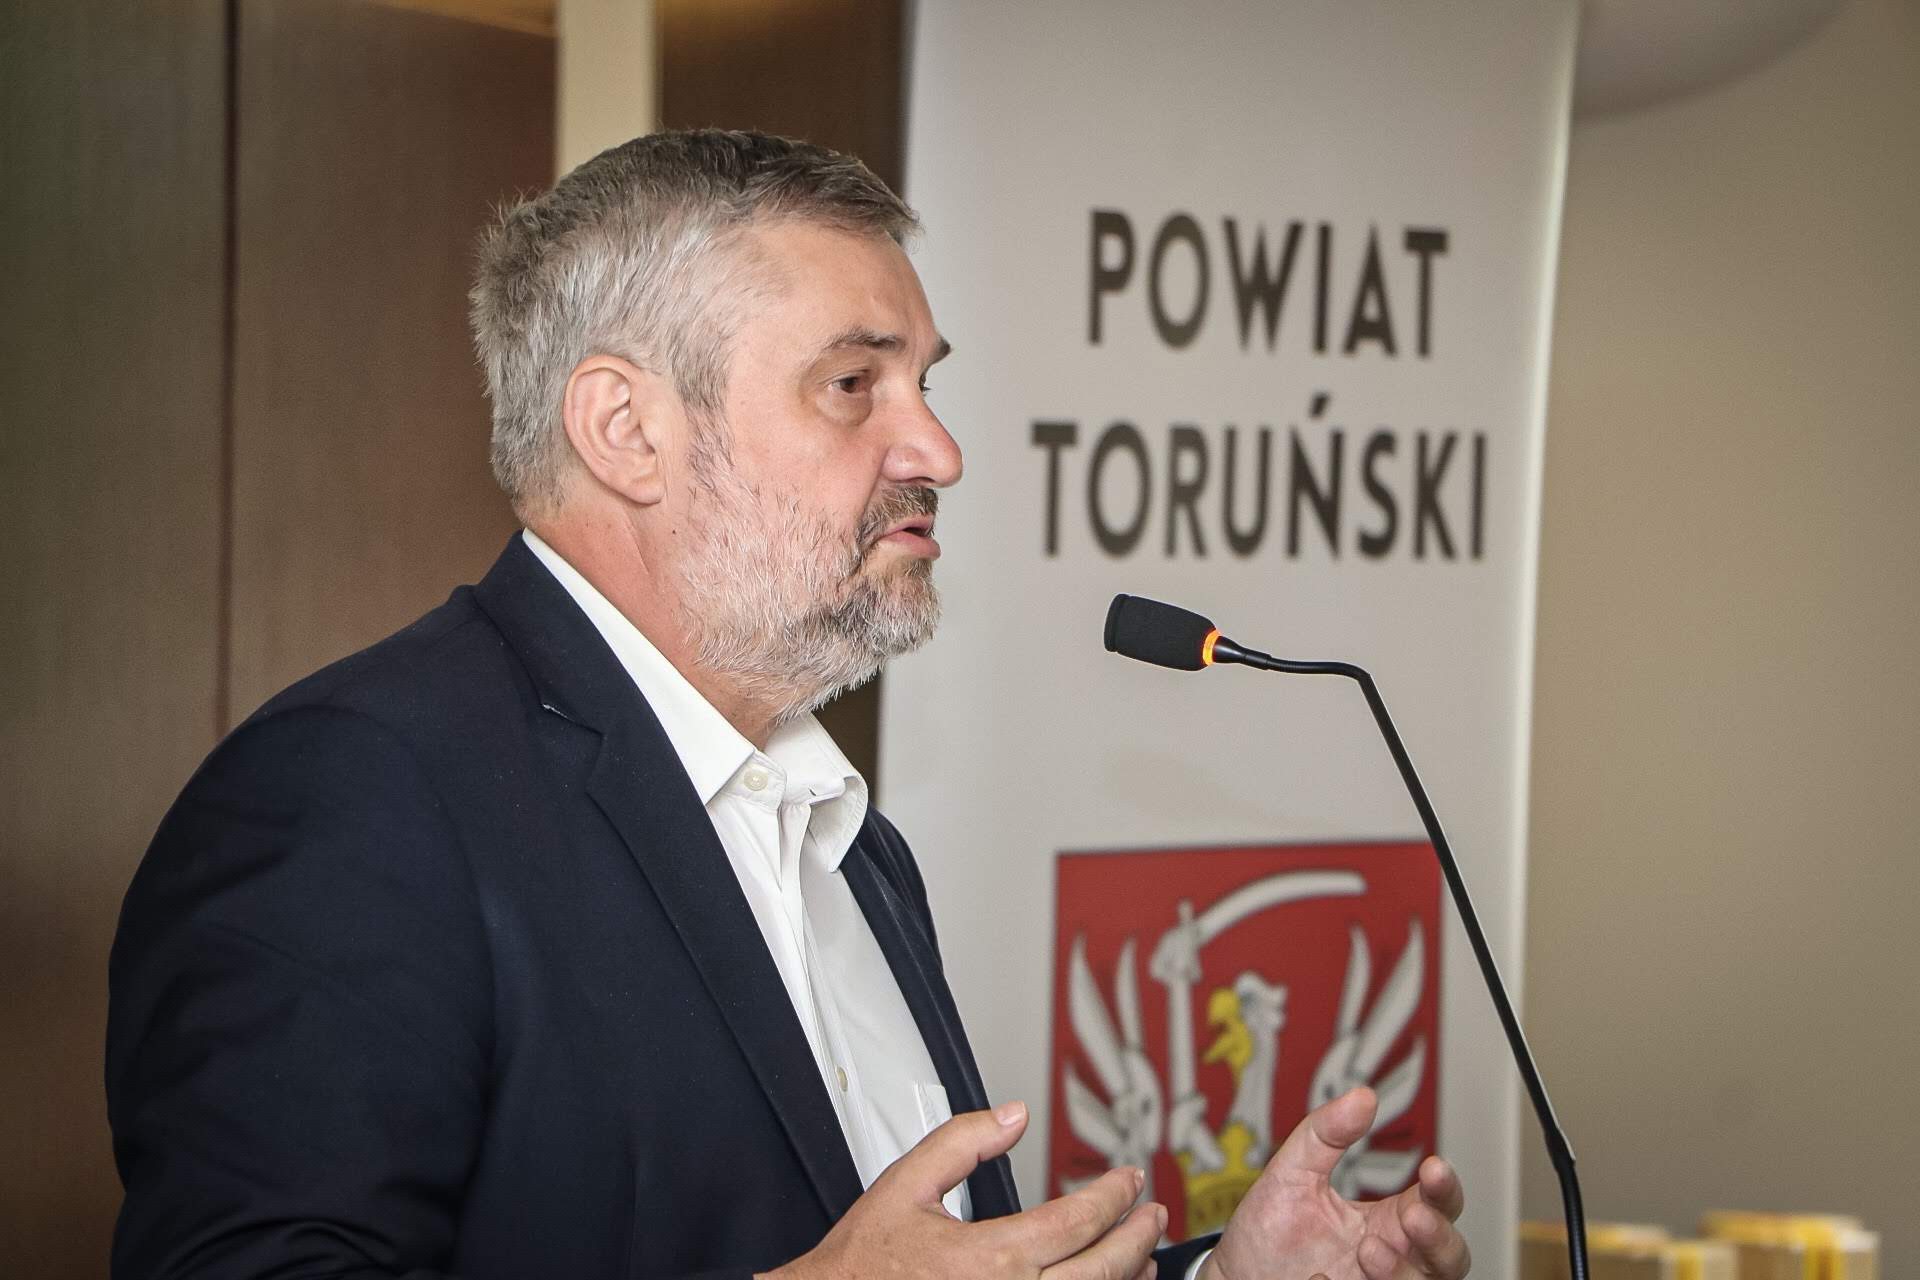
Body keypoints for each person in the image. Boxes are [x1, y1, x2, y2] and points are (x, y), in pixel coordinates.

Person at [106, 130, 1471, 1280]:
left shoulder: (844, 833)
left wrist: (1224, 1279)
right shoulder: (356, 800)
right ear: (625, 430)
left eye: (925, 383)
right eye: (852, 384)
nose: (938, 448)